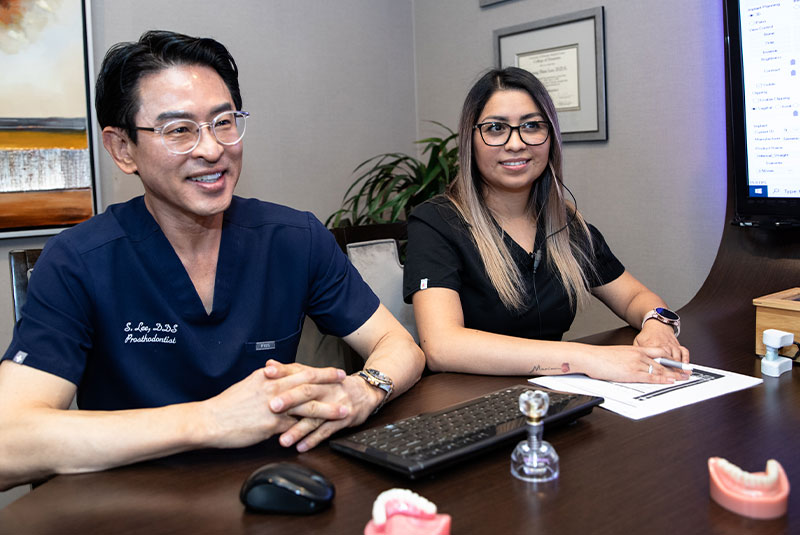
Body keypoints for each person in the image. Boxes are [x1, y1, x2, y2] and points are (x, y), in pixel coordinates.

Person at [0, 30, 423, 491]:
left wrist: (365, 390)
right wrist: (210, 420)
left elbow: (400, 346)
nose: (212, 149)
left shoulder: (292, 239)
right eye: (179, 129)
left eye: (224, 121)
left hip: (271, 488)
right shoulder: (79, 261)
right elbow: (8, 444)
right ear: (123, 149)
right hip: (136, 503)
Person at [403, 67, 689, 383]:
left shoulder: (568, 226)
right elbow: (443, 346)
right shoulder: (435, 222)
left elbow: (637, 298)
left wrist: (657, 325)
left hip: (551, 396)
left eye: (532, 126)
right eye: (496, 128)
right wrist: (586, 359)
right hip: (466, 402)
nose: (516, 143)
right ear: (470, 140)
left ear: (550, 137)